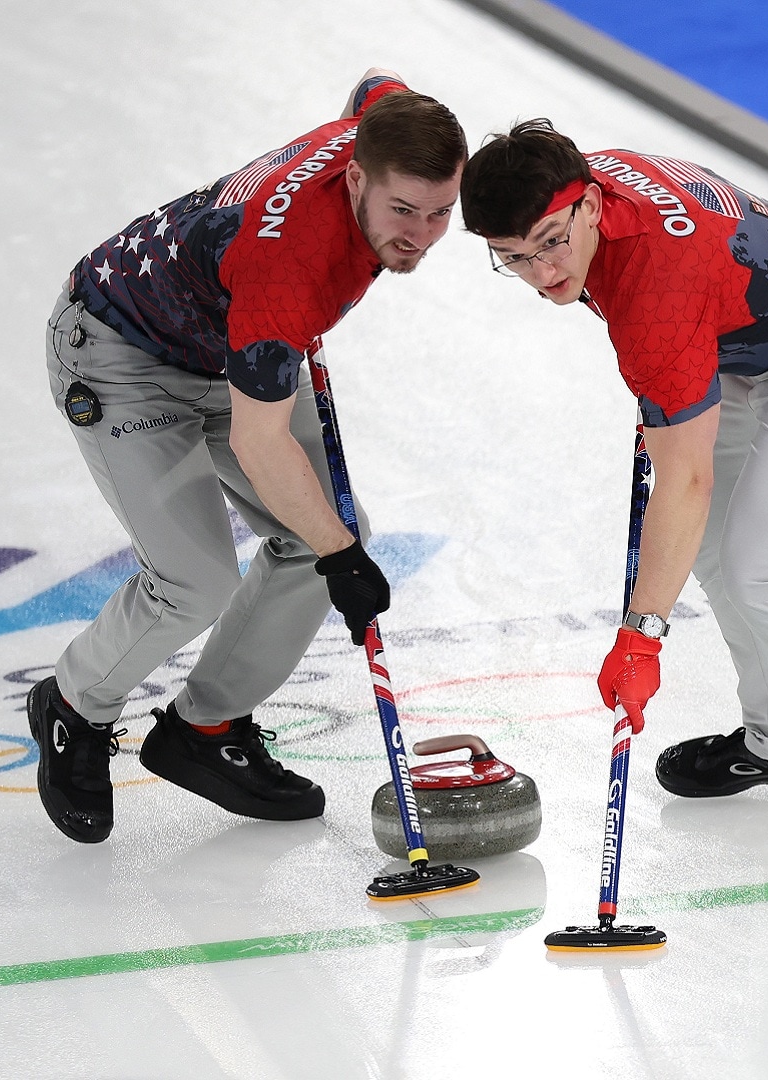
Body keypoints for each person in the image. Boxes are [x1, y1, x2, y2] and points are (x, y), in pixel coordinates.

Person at [460, 121, 768, 876]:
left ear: (591, 205)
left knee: (766, 567)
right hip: (735, 335)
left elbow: (686, 480)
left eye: (550, 243)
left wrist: (640, 637)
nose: (539, 273)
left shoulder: (652, 293)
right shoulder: (579, 188)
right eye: (512, 258)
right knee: (720, 557)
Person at [28, 70, 465, 844]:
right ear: (355, 176)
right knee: (195, 582)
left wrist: (334, 545)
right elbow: (260, 442)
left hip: (229, 342)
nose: (420, 235)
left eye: (440, 213)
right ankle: (72, 706)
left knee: (326, 530)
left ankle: (204, 728)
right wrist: (344, 561)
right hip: (123, 358)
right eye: (402, 210)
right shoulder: (288, 268)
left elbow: (374, 86)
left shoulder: (377, 131)